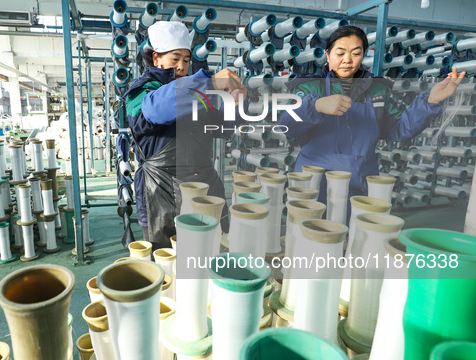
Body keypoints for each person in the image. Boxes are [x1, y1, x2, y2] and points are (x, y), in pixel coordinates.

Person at [278, 25, 465, 208]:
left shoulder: (377, 90)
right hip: (313, 184)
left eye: (356, 53)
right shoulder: (310, 87)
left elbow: (398, 130)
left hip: (357, 184)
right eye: (340, 53)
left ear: (363, 55)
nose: (347, 60)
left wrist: (430, 101)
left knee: (355, 233)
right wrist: (315, 105)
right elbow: (287, 126)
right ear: (328, 55)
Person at [123, 21, 246, 250]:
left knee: (209, 253)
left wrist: (237, 105)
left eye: (186, 60)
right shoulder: (142, 91)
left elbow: (223, 127)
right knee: (167, 260)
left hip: (203, 187)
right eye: (175, 58)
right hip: (160, 194)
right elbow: (156, 109)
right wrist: (207, 82)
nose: (181, 66)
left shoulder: (195, 93)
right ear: (156, 58)